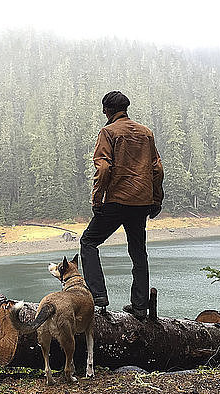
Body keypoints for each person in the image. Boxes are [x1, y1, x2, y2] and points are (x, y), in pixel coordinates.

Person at [80, 91, 164, 319]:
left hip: (117, 200)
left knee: (89, 242)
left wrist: (97, 198)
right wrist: (157, 199)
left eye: (104, 109)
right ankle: (139, 306)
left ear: (109, 109)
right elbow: (157, 169)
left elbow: (104, 168)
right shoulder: (146, 133)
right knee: (138, 253)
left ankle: (98, 295)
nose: (103, 113)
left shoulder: (108, 132)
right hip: (141, 202)